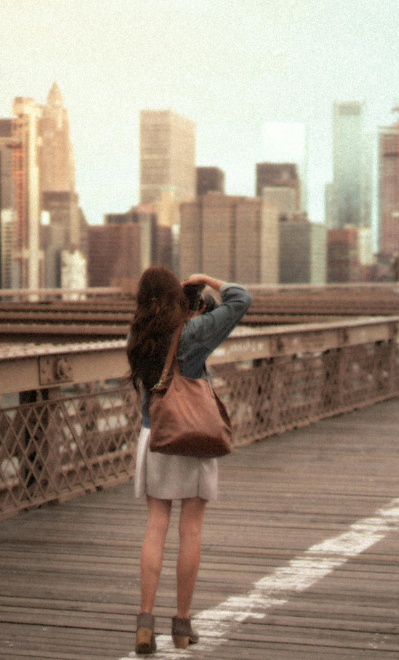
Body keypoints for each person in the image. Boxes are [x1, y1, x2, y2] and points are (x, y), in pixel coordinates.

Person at [125, 266, 251, 654]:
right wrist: (207, 281)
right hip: (192, 436)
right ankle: (181, 624)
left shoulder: (138, 334)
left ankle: (145, 623)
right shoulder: (192, 333)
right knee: (190, 530)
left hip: (157, 435)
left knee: (155, 525)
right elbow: (240, 300)